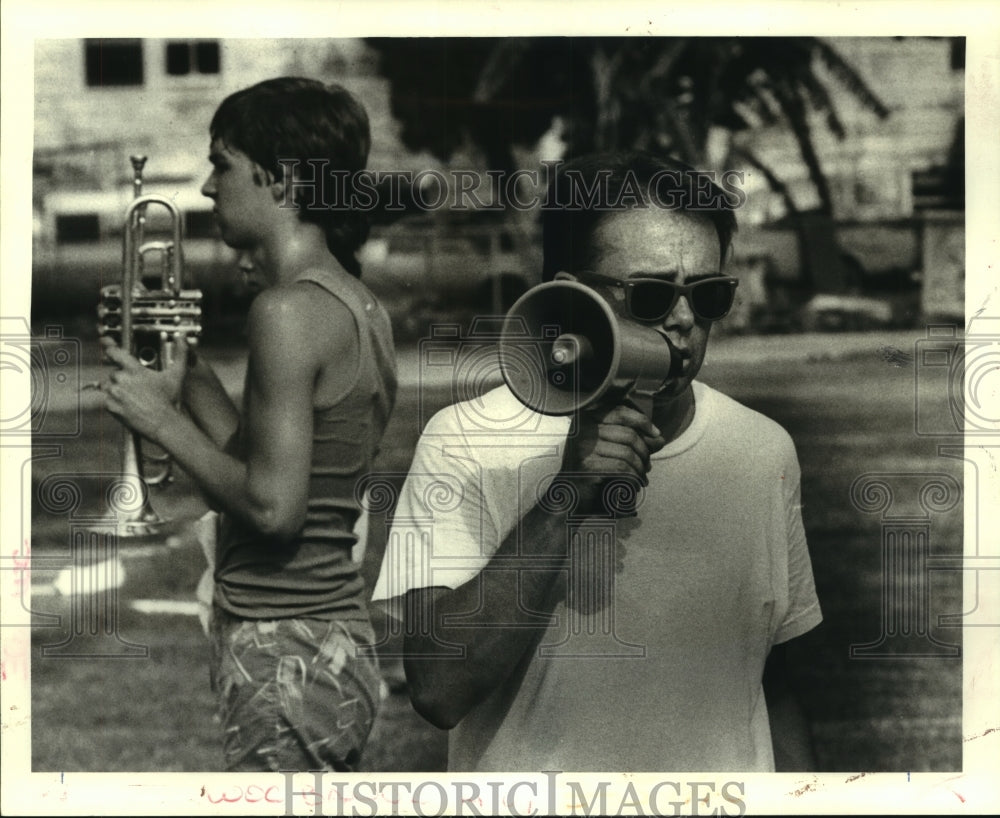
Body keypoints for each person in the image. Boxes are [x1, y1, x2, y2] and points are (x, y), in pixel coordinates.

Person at [371, 152, 822, 772]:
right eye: (650, 292)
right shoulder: (465, 442)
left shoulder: (763, 449)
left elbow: (774, 682)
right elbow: (437, 686)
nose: (685, 318)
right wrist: (565, 498)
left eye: (709, 294)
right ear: (572, 296)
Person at [99, 77, 397, 772]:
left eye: (222, 163)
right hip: (324, 643)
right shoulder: (353, 304)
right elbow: (272, 467)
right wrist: (189, 374)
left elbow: (271, 510)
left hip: (284, 649)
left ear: (284, 178)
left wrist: (157, 423)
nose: (207, 187)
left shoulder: (287, 312)